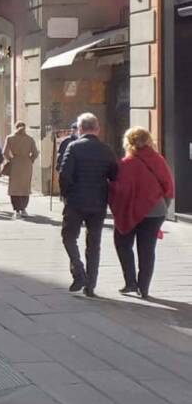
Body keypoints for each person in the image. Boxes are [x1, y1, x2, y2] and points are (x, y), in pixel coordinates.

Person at [108, 128, 174, 298]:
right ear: (148, 140)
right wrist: (162, 205)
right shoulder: (158, 160)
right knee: (147, 249)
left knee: (123, 244)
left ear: (127, 142)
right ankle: (144, 287)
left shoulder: (125, 164)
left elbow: (118, 190)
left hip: (129, 211)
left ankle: (130, 282)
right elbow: (168, 186)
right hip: (155, 211)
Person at [59, 113, 118, 298]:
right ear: (97, 129)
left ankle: (79, 271)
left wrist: (66, 195)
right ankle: (91, 284)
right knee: (94, 243)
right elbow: (115, 175)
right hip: (98, 202)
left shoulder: (73, 147)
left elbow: (64, 174)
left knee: (69, 237)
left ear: (80, 129)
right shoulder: (106, 149)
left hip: (75, 201)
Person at [3, 122, 40, 218]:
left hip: (15, 164)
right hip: (27, 164)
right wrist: (30, 160)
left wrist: (11, 159)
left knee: (14, 188)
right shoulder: (30, 139)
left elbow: (5, 152)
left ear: (15, 127)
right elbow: (35, 153)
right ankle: (23, 209)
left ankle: (16, 210)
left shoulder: (10, 138)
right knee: (25, 187)